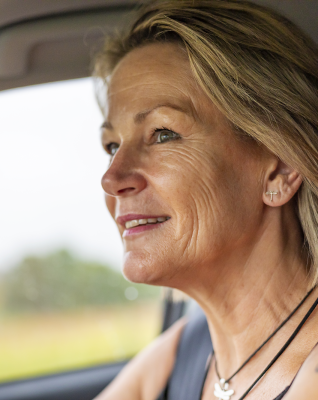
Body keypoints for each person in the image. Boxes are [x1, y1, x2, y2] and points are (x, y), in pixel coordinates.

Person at [91, 1, 318, 399]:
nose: (112, 178)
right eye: (112, 145)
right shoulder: (186, 350)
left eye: (163, 134)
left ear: (280, 169)